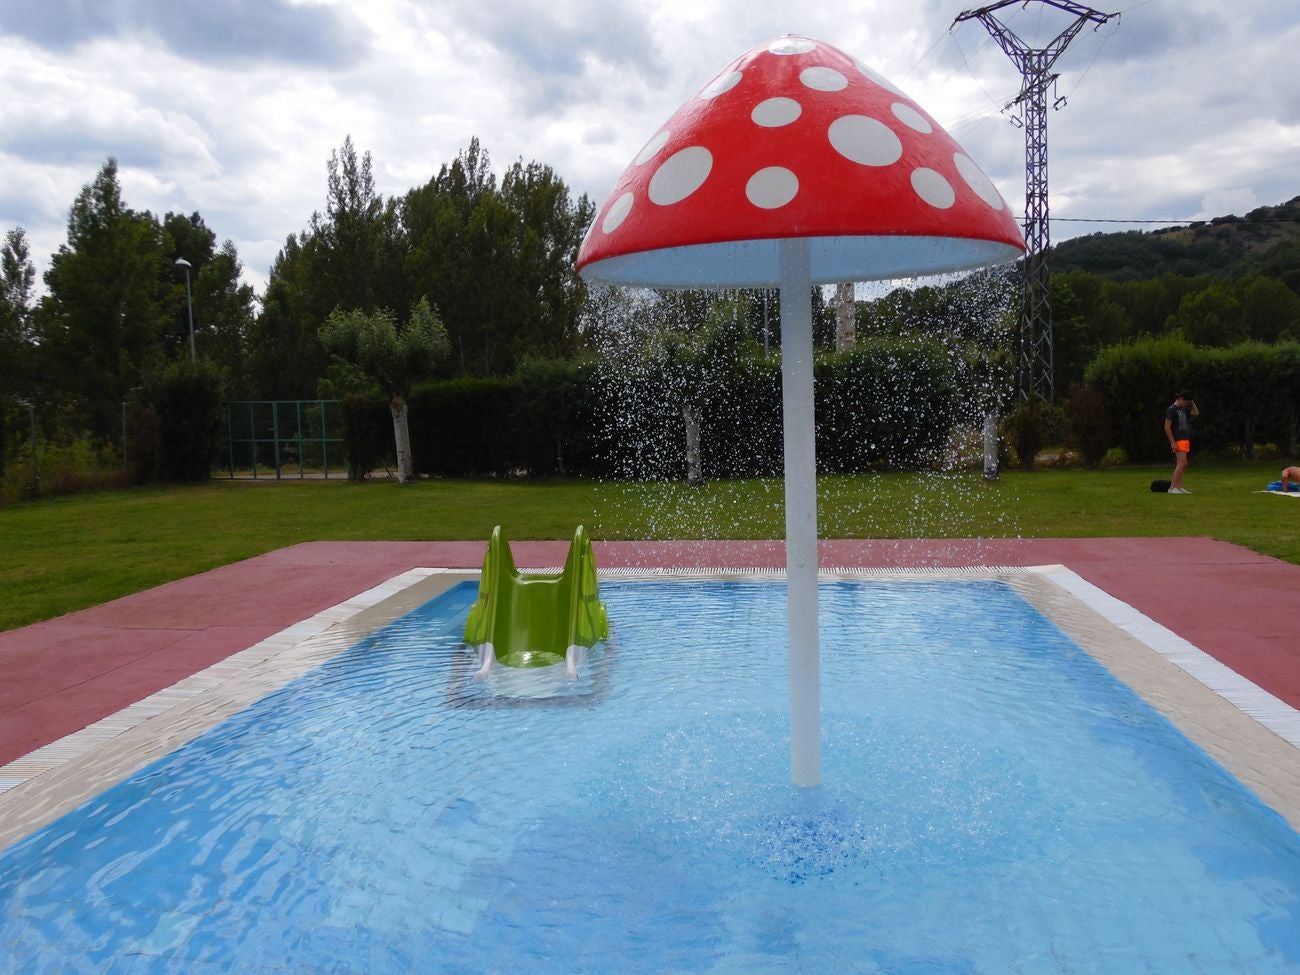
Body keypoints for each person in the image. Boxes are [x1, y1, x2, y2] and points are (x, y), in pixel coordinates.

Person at [1163, 391, 1199, 494]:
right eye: (1186, 402)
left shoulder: (1183, 409)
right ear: (1181, 399)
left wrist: (1192, 402)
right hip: (1177, 439)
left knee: (1183, 464)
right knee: (1182, 463)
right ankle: (1172, 487)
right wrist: (1172, 442)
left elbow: (1196, 413)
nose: (1187, 404)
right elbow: (1167, 427)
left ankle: (1178, 487)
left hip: (1185, 439)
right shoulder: (1171, 410)